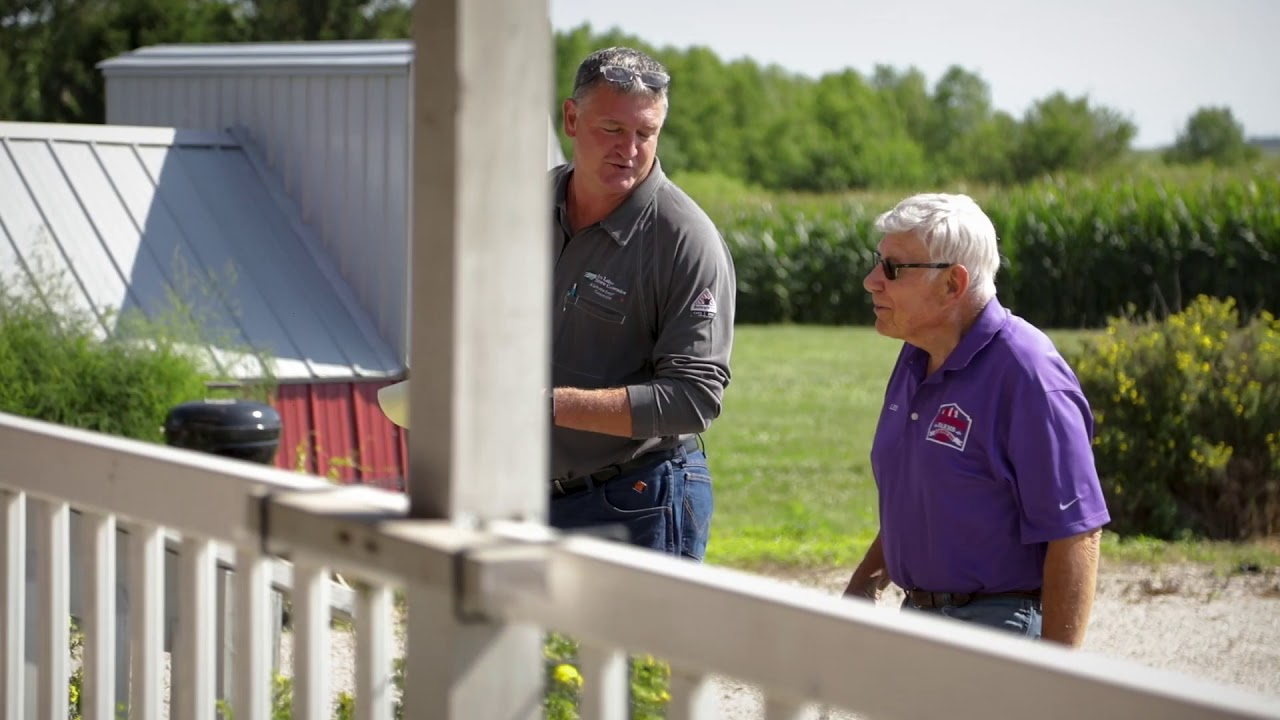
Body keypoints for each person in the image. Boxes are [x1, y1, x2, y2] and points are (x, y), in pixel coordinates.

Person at [842, 193, 1109, 647]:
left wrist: (1057, 680)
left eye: (892, 268)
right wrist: (865, 580)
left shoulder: (1028, 373)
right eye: (876, 262)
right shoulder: (916, 358)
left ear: (953, 283)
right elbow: (930, 498)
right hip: (920, 619)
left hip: (995, 629)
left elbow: (1076, 534)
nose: (871, 281)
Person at [546, 47, 735, 561]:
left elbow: (694, 400)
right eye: (612, 129)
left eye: (645, 134)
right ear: (571, 118)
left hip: (635, 502)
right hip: (521, 498)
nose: (628, 149)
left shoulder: (684, 239)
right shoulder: (522, 206)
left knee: (639, 647)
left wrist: (539, 405)